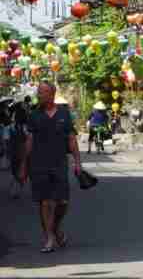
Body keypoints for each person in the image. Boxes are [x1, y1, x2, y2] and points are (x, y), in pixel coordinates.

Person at [19, 83, 81, 253]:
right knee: (45, 202)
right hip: (38, 165)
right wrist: (24, 166)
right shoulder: (33, 115)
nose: (40, 95)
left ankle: (55, 227)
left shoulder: (64, 114)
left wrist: (77, 162)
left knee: (63, 202)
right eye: (38, 92)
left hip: (60, 163)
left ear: (52, 94)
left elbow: (71, 139)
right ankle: (49, 238)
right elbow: (29, 141)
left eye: (43, 92)